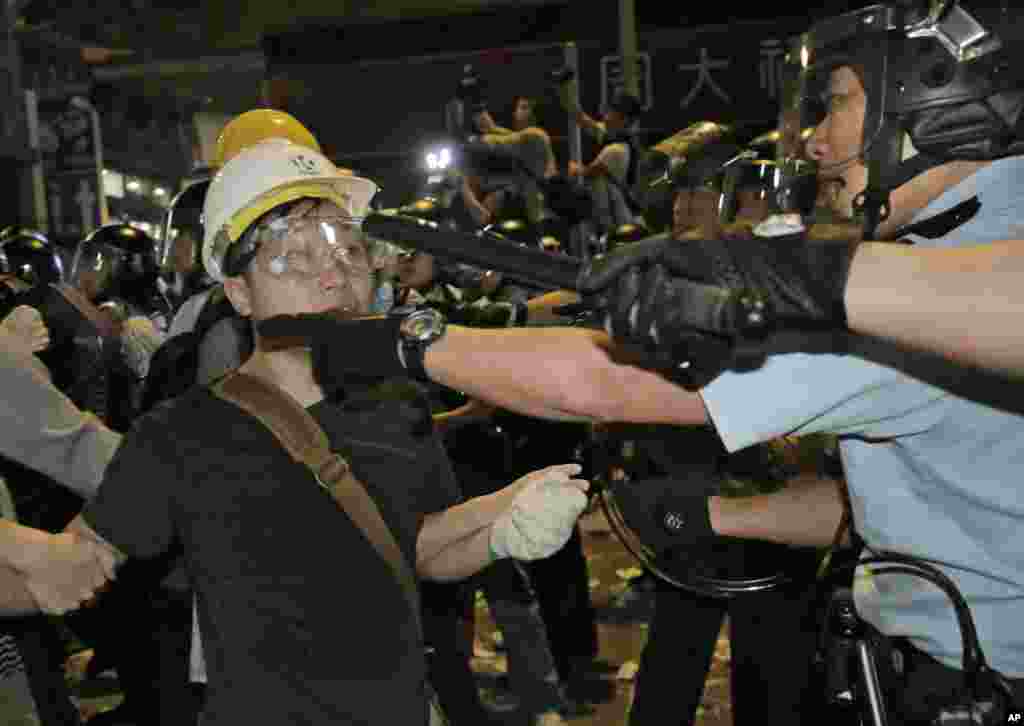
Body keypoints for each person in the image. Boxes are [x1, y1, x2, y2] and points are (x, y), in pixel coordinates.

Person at [261, 5, 1024, 720]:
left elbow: (611, 379)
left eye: (838, 104)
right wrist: (721, 514)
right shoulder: (970, 248)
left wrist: (412, 341)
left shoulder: (927, 280)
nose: (816, 141)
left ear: (931, 98)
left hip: (965, 684)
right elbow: (895, 513)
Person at [60, 137, 591, 726]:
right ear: (238, 291)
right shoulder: (180, 433)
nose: (334, 275)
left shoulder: (395, 403)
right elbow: (71, 566)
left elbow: (420, 545)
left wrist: (500, 520)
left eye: (346, 249)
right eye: (294, 255)